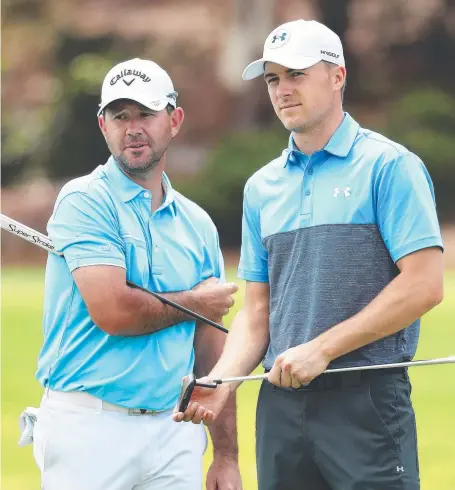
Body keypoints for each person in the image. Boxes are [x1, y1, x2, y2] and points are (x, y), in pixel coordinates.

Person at [174, 19, 444, 490]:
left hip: (366, 400)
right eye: (273, 78)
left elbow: (424, 283)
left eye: (296, 74)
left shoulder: (389, 166)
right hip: (281, 408)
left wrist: (322, 349)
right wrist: (221, 382)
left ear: (337, 76)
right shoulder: (262, 188)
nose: (282, 90)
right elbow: (258, 313)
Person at [30, 58, 242, 490]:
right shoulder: (85, 201)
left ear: (174, 119)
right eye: (119, 116)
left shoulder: (197, 224)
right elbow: (115, 312)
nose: (132, 128)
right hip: (89, 429)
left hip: (175, 430)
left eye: (145, 113)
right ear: (102, 125)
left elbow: (212, 350)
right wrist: (198, 303)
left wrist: (226, 454)